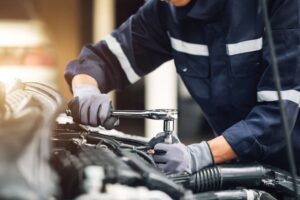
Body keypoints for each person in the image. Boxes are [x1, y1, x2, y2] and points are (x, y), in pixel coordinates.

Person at [65, 0, 300, 174]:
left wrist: (200, 155)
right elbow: (100, 60)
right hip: (247, 168)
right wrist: (86, 90)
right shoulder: (164, 13)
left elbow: (278, 113)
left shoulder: (279, 5)